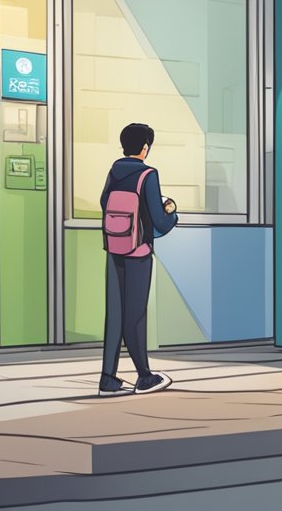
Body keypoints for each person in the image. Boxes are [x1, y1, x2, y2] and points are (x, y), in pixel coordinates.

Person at [98, 122, 179, 396]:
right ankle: (144, 376)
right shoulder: (148, 174)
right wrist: (172, 215)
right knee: (136, 315)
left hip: (114, 248)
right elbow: (158, 218)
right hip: (138, 252)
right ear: (145, 147)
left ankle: (108, 377)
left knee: (115, 314)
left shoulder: (114, 170)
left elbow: (103, 201)